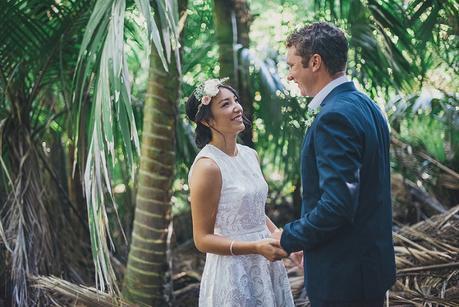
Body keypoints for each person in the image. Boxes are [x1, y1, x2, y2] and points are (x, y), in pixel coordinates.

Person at [272, 22, 396, 307]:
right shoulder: (367, 105)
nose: (289, 76)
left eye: (292, 66)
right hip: (369, 272)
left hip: (344, 280)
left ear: (315, 62)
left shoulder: (333, 117)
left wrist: (289, 237)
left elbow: (337, 204)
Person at [186, 78, 295, 307]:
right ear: (207, 120)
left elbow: (254, 213)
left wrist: (282, 238)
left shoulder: (249, 155)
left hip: (266, 265)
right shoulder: (208, 166)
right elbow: (202, 239)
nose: (237, 107)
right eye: (225, 104)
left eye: (235, 100)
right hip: (232, 271)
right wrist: (254, 247)